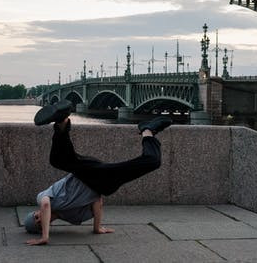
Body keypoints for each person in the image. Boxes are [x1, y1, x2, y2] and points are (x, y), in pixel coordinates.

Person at [25, 100, 172, 245]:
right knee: (152, 161)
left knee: (57, 160)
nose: (39, 218)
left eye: (35, 216)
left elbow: (45, 206)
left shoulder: (42, 199)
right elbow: (96, 201)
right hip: (103, 182)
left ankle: (62, 121)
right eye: (39, 223)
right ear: (46, 225)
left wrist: (45, 237)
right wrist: (97, 228)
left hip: (84, 171)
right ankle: (147, 131)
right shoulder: (74, 218)